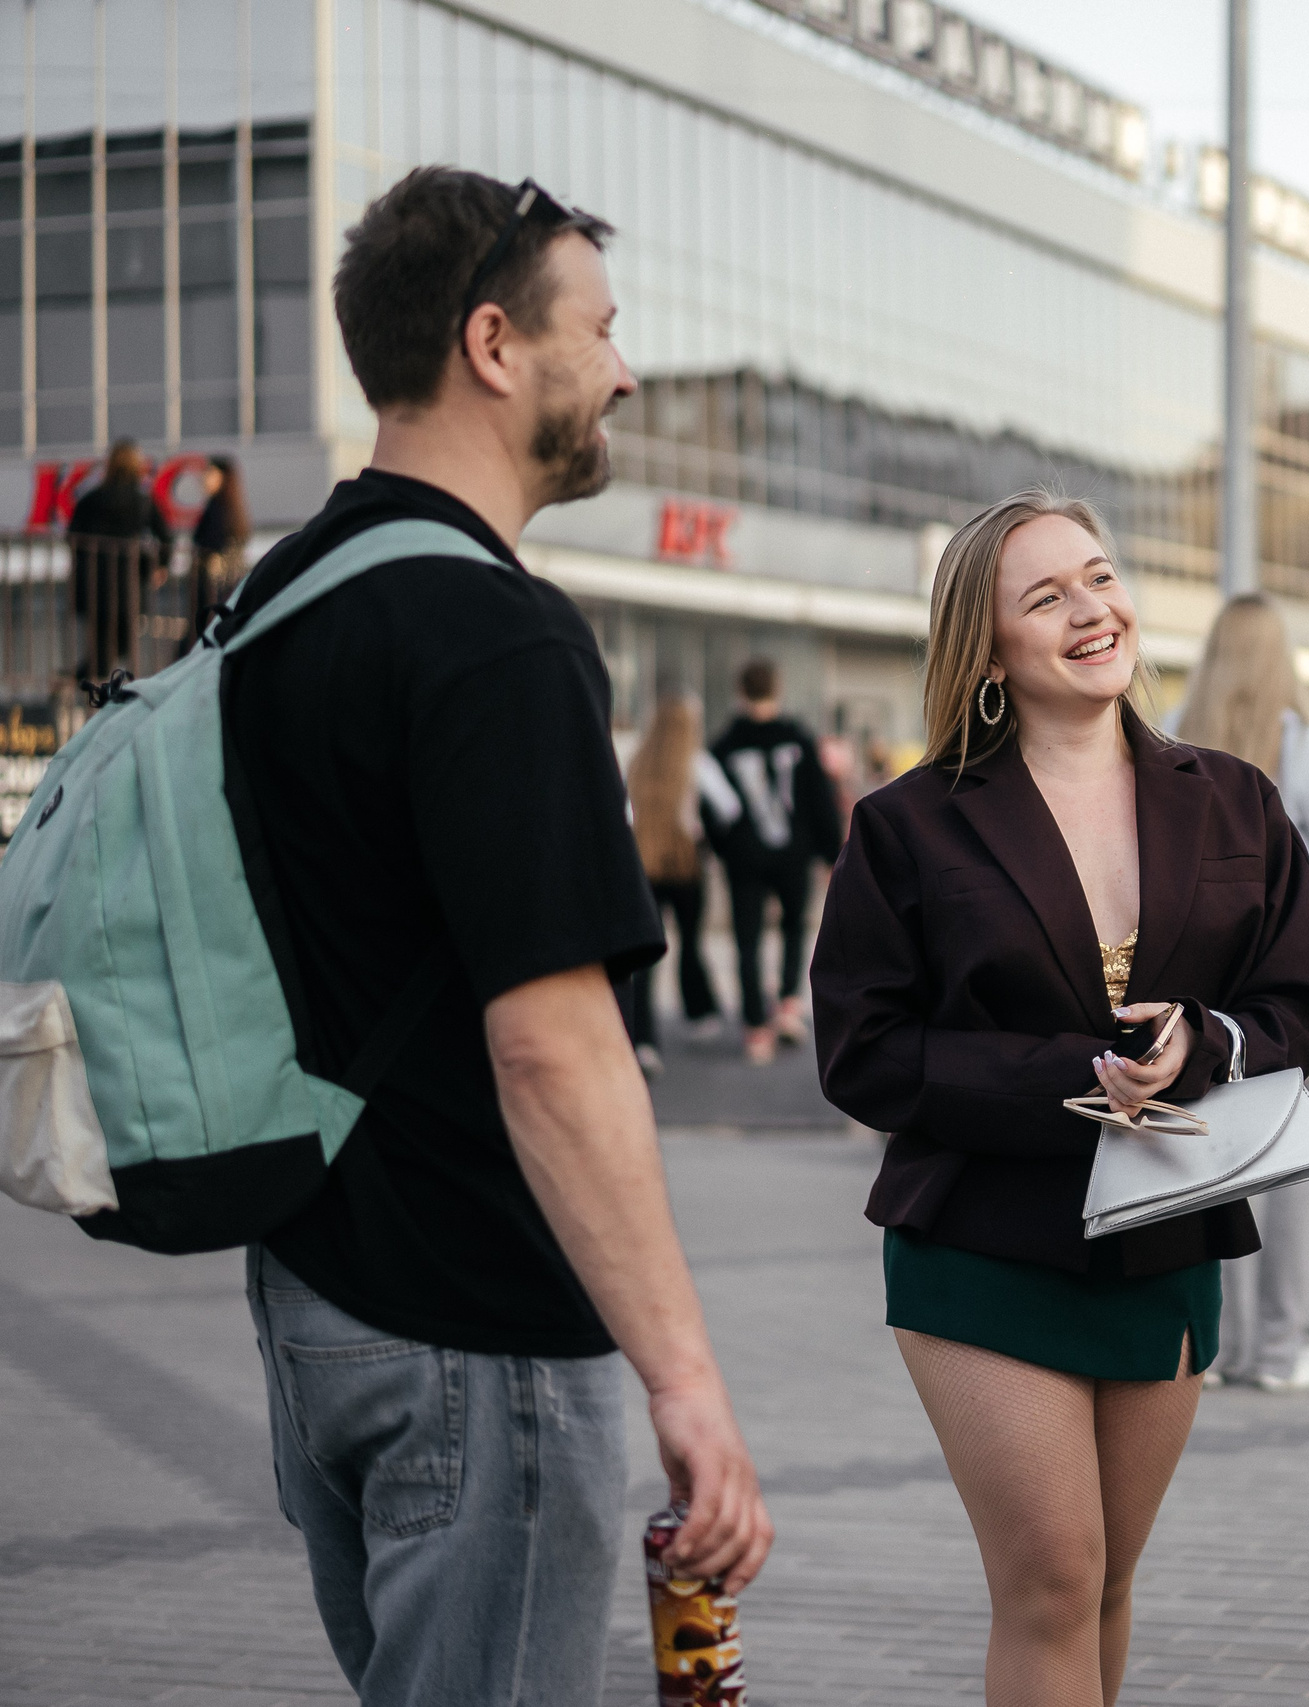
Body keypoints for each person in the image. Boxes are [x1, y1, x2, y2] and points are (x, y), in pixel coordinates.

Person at [225, 166, 771, 1703]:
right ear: (491, 343)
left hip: (318, 1299)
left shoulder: (278, 601)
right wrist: (686, 1380)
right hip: (482, 1324)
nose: (625, 367)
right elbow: (553, 1043)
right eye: (597, 328)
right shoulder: (497, 632)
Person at [811, 490, 1309, 1704]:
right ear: (987, 648)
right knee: (1050, 1580)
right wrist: (1070, 1077)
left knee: (1104, 1580)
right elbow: (865, 1053)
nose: (1090, 611)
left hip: (1166, 1236)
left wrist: (1203, 1041)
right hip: (981, 1241)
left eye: (1098, 578)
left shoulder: (1233, 799)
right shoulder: (907, 827)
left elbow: (1301, 1008)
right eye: (1046, 597)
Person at [1178, 593, 1309, 1393]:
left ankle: (1213, 1348)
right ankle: (1281, 1347)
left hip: (1210, 976)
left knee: (1215, 1156)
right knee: (1294, 1162)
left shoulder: (1177, 746)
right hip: (1305, 968)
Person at [706, 658, 843, 1066]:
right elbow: (820, 800)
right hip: (793, 853)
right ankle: (787, 1004)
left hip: (744, 858)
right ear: (776, 689)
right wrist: (831, 853)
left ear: (740, 692)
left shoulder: (724, 744)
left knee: (746, 940)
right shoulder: (798, 737)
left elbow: (711, 807)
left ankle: (754, 1029)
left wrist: (725, 850)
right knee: (793, 927)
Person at [623, 691, 726, 1074]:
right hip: (686, 868)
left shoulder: (637, 762)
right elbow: (728, 809)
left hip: (645, 866)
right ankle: (700, 1013)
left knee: (645, 958)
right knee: (690, 943)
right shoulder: (697, 765)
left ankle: (644, 1040)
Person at [68, 438, 174, 677]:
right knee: (125, 645)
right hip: (129, 582)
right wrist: (161, 566)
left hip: (95, 582)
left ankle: (92, 684)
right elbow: (166, 537)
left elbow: (73, 537)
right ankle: (111, 685)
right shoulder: (143, 500)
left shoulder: (91, 499)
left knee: (101, 643)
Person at [188, 453, 252, 632]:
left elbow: (211, 543)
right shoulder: (233, 509)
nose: (203, 478)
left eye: (209, 473)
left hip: (212, 585)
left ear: (222, 478)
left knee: (201, 632)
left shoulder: (218, 509)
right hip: (225, 585)